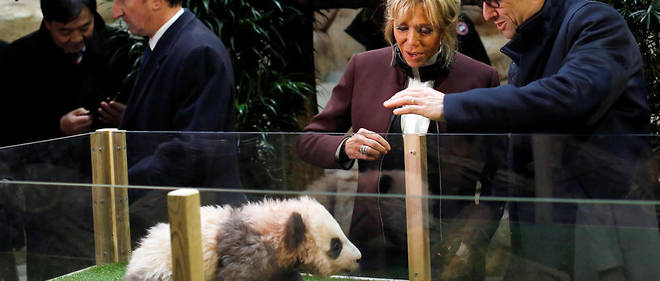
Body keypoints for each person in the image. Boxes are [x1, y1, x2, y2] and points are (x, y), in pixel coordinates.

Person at [384, 0, 660, 280]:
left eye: (494, 2)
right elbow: (516, 155)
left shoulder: (595, 22)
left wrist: (451, 106)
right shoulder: (527, 49)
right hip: (543, 236)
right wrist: (475, 225)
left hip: (603, 232)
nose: (489, 14)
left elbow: (571, 94)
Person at [297, 0, 504, 279]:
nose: (411, 41)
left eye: (425, 30)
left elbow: (499, 174)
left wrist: (472, 237)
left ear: (445, 28)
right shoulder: (363, 67)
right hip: (373, 245)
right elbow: (309, 141)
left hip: (452, 246)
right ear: (390, 25)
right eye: (402, 28)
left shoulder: (480, 78)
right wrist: (345, 146)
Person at [0, 1, 133, 280]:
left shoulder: (122, 47)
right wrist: (55, 126)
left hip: (109, 179)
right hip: (47, 191)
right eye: (65, 31)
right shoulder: (19, 57)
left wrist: (125, 117)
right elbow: (10, 129)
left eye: (84, 28)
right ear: (48, 23)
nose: (75, 38)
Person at [111, 0, 246, 251]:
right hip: (170, 211)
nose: (116, 12)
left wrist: (118, 182)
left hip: (200, 219)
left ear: (156, 2)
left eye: (122, 1)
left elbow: (193, 149)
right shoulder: (167, 42)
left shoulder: (198, 50)